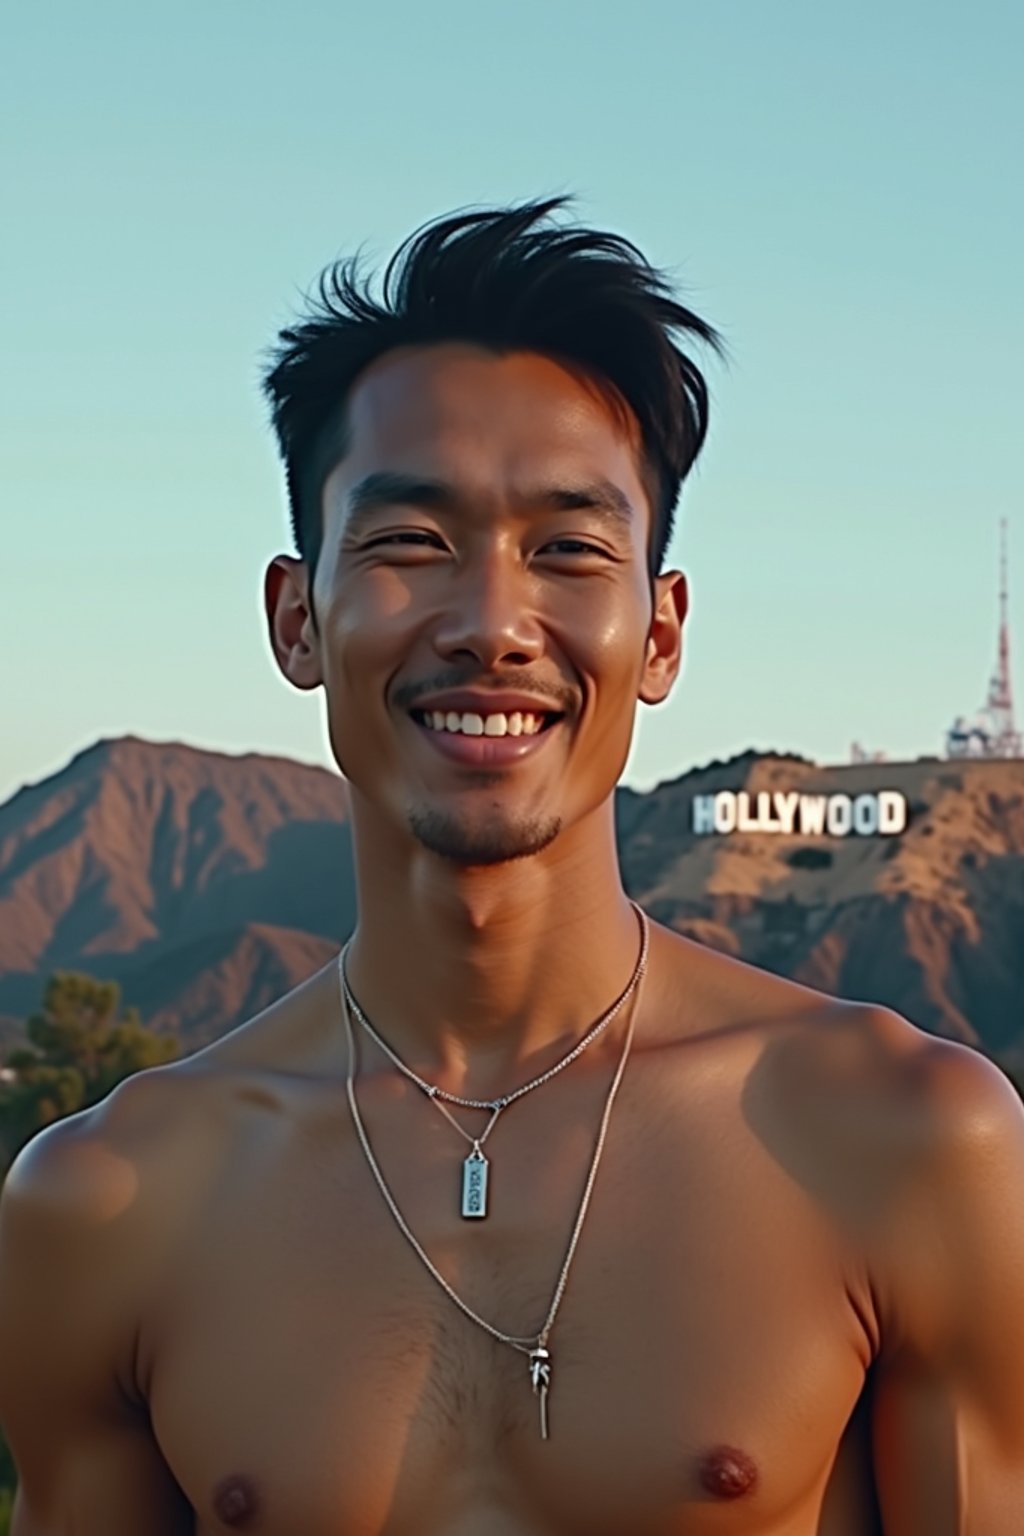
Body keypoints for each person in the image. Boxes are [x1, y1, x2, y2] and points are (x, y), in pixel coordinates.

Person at [2, 198, 1023, 1535]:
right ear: (297, 617)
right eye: (411, 543)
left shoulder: (905, 1145)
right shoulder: (113, 1203)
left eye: (567, 549)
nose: (492, 623)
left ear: (659, 634)